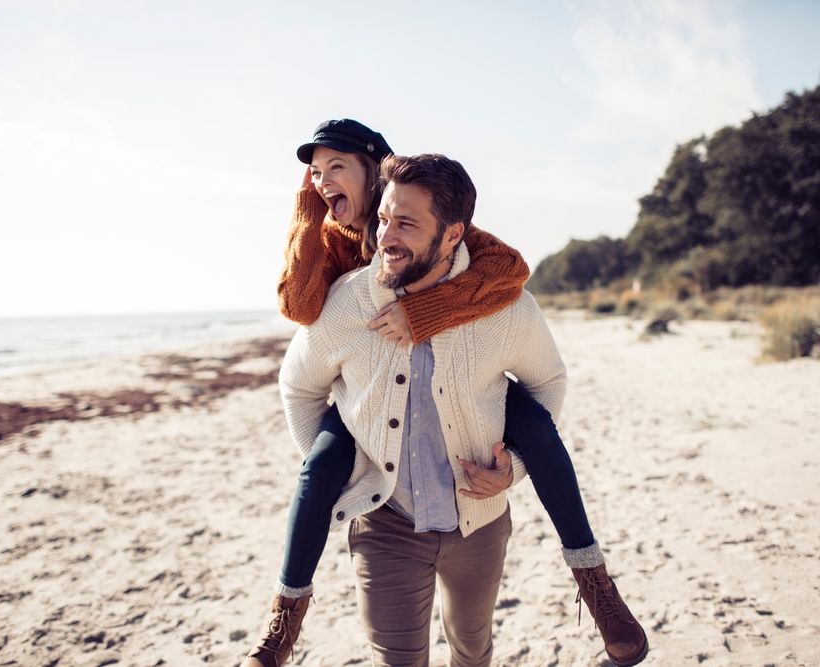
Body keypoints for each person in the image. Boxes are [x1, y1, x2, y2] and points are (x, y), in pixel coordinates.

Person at [241, 122, 647, 666]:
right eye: (316, 172)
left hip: (477, 520)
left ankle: (594, 580)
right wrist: (351, 467)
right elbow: (298, 359)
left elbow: (528, 320)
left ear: (452, 233)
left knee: (472, 651)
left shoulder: (492, 284)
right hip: (385, 521)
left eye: (405, 223)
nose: (386, 236)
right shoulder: (345, 282)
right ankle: (285, 614)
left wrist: (515, 468)